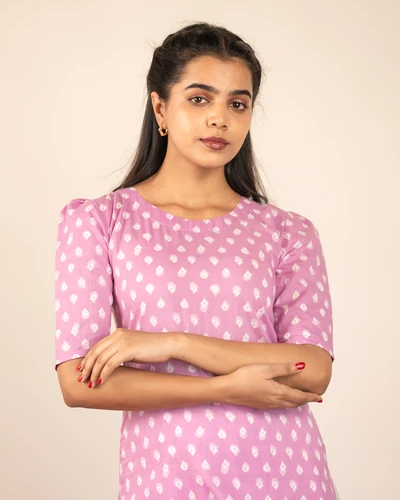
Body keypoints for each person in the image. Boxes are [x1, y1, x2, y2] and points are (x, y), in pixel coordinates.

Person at [54, 22, 337, 500]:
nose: (220, 119)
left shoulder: (287, 231)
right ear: (160, 108)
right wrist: (224, 389)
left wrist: (174, 343)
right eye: (200, 99)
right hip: (167, 476)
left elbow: (311, 368)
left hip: (288, 473)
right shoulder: (100, 221)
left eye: (237, 104)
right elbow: (78, 383)